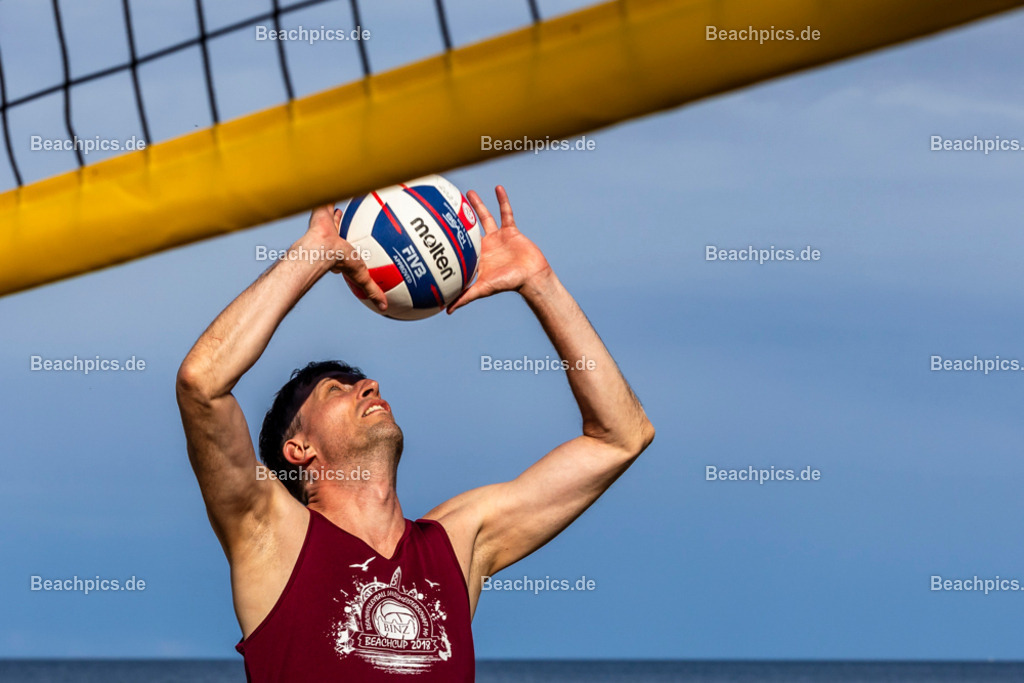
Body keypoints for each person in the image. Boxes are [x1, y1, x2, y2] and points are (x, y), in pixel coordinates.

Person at [175, 185, 655, 681]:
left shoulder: (458, 543)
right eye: (335, 390)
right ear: (298, 448)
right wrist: (313, 254)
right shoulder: (270, 533)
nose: (368, 386)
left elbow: (621, 435)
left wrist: (540, 282)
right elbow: (202, 384)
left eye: (363, 380)